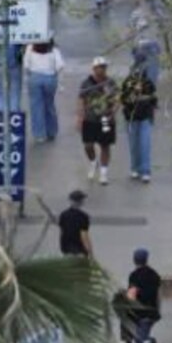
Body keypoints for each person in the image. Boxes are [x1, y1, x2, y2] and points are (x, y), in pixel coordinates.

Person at [78, 56, 118, 185]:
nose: (102, 70)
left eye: (104, 67)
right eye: (99, 67)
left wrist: (114, 111)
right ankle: (93, 162)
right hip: (90, 118)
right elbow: (81, 99)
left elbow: (117, 98)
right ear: (94, 69)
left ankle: (103, 172)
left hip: (106, 118)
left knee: (105, 145)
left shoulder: (110, 83)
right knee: (88, 145)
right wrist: (80, 116)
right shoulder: (86, 83)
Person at [119, 60, 158, 182]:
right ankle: (135, 168)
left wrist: (151, 112)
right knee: (134, 145)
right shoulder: (127, 84)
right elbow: (124, 100)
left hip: (145, 118)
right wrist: (134, 92)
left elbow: (153, 100)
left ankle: (145, 171)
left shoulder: (149, 84)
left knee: (145, 144)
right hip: (131, 119)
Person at [57, 189, 93, 259]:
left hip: (66, 248)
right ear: (81, 202)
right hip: (79, 249)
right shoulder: (83, 217)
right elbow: (84, 236)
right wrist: (90, 253)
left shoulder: (63, 215)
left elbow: (62, 232)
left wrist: (63, 247)